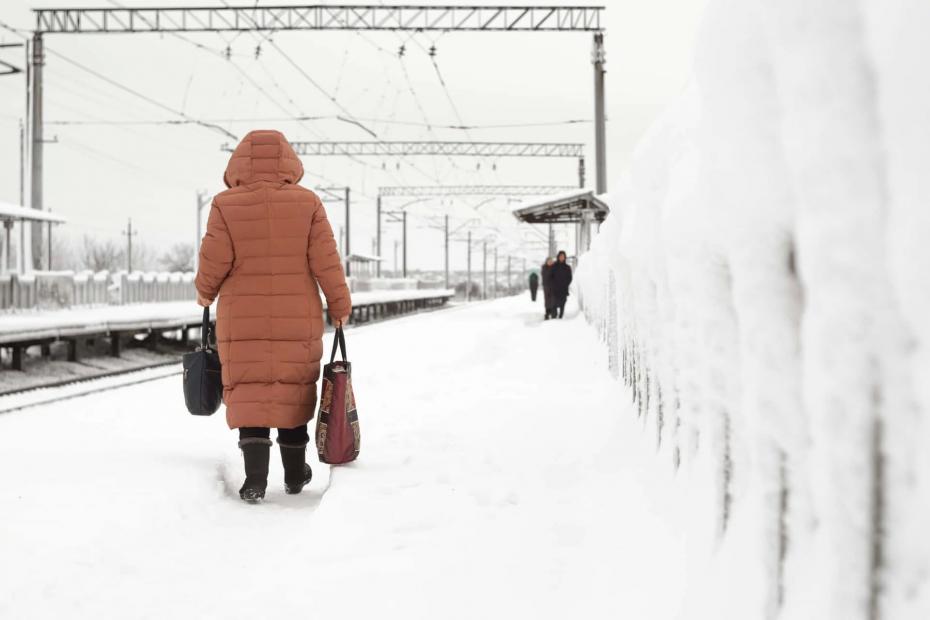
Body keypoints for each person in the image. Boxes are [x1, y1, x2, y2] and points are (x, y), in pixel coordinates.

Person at [195, 130, 351, 504]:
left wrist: (205, 292)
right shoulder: (308, 202)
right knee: (292, 391)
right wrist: (340, 305)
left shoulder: (224, 204)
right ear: (288, 162)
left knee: (249, 390)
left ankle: (255, 478)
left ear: (238, 163)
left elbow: (213, 260)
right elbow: (326, 262)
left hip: (241, 315)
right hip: (297, 315)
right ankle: (296, 473)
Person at [549, 250, 573, 319]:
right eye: (560, 256)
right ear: (558, 257)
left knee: (562, 303)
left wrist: (566, 284)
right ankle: (554, 316)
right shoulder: (553, 266)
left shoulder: (567, 267)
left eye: (563, 256)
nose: (562, 258)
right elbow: (550, 276)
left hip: (563, 289)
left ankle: (561, 317)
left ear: (565, 258)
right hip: (555, 289)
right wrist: (553, 284)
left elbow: (570, 278)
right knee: (554, 304)